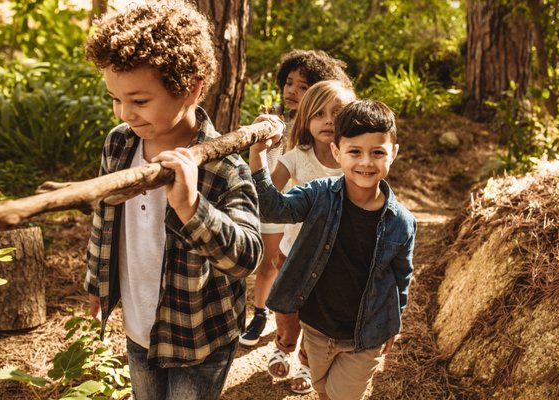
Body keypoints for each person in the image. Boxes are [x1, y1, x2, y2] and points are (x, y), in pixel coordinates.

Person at [83, 2, 263, 399]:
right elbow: (105, 215)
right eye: (116, 98)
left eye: (140, 101)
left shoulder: (223, 167)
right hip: (139, 325)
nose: (126, 113)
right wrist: (97, 281)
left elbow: (248, 257)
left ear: (192, 87)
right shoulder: (118, 144)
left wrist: (191, 206)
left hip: (200, 336)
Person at [249, 100, 417, 400]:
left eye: (377, 152)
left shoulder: (402, 222)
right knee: (324, 390)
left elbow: (401, 277)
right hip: (316, 327)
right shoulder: (319, 195)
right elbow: (272, 208)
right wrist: (259, 153)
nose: (366, 162)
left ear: (393, 153)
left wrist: (395, 322)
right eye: (355, 152)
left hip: (365, 335)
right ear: (337, 152)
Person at [241, 49, 353, 349]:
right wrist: (265, 142)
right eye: (289, 83)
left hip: (314, 225)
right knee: (272, 263)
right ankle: (263, 315)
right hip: (285, 207)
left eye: (303, 86)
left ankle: (305, 350)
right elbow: (273, 183)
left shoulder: (342, 144)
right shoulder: (277, 119)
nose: (293, 90)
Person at [257, 80, 356, 395]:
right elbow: (268, 194)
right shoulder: (297, 156)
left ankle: (305, 363)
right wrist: (262, 151)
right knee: (288, 311)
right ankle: (283, 345)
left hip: (333, 260)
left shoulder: (353, 159)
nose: (328, 121)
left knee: (317, 319)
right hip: (293, 254)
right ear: (306, 119)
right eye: (319, 114)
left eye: (337, 114)